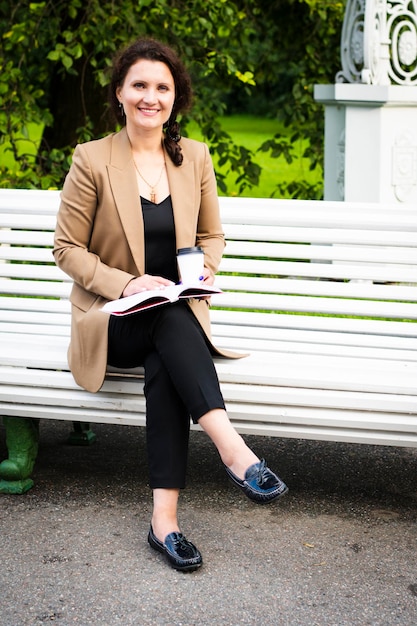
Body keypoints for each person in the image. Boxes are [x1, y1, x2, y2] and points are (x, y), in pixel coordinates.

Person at [53, 38, 288, 572]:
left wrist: (204, 269)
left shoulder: (194, 158)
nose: (150, 97)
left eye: (162, 87)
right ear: (120, 93)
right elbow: (66, 250)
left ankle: (165, 524)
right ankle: (233, 451)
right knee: (165, 312)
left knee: (168, 341)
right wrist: (127, 284)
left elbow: (211, 236)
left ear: (175, 98)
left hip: (170, 320)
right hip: (112, 321)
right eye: (139, 85)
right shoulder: (92, 159)